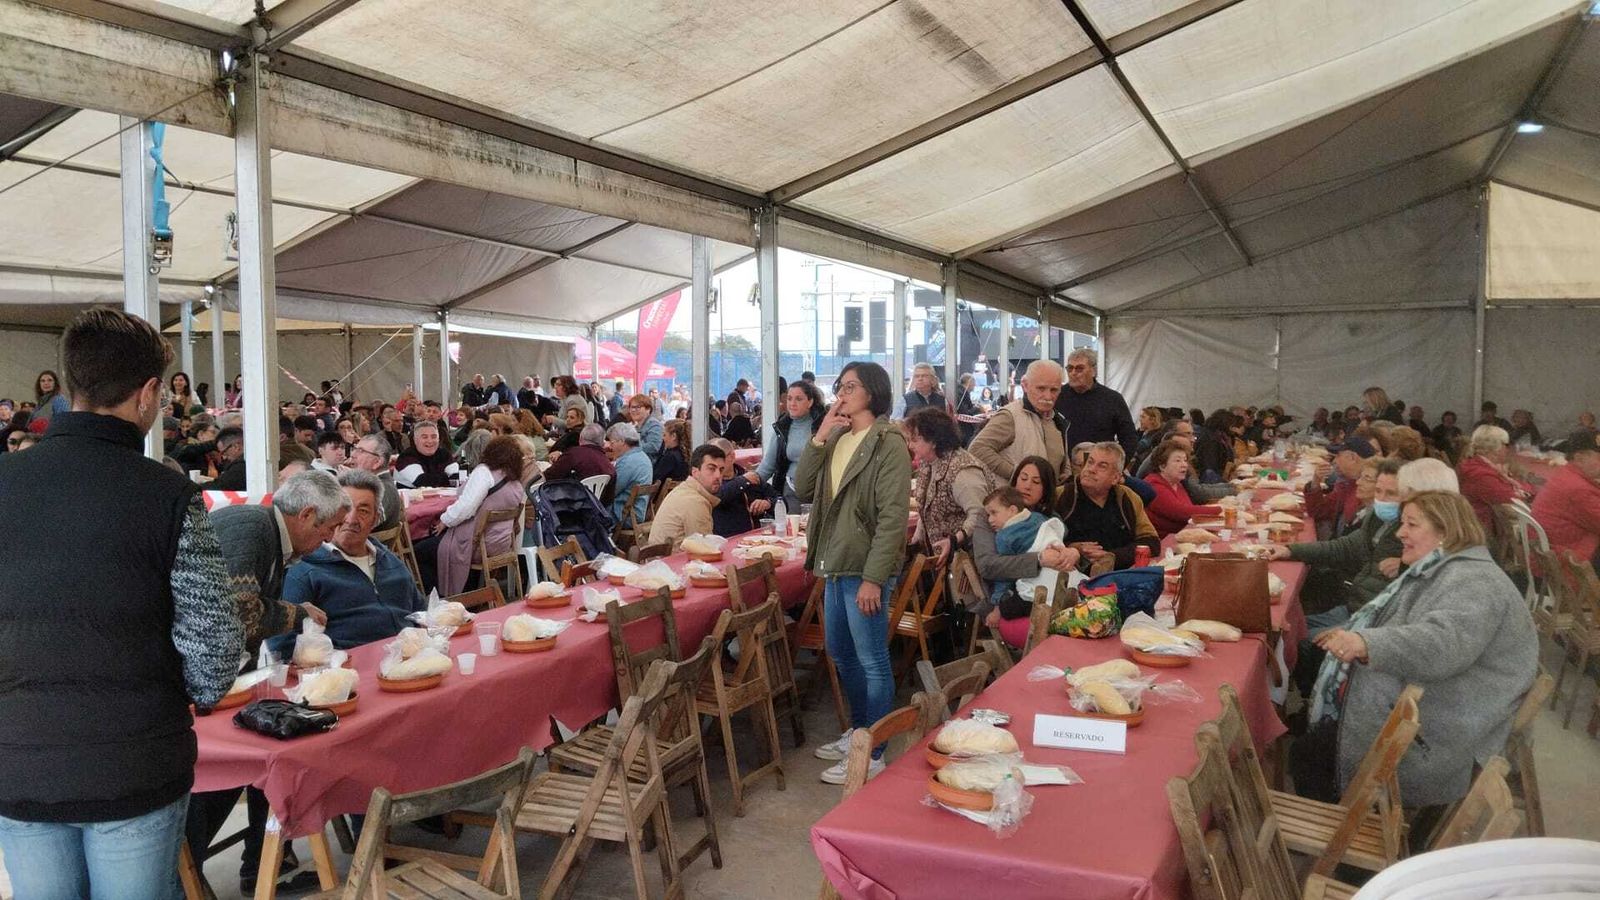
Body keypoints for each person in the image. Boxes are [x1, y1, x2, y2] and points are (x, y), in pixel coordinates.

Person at [0, 309, 242, 899]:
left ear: (70, 382)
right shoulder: (169, 496)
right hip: (135, 760)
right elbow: (212, 651)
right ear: (150, 393)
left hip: (19, 757)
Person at [1291, 491, 1537, 809]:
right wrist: (1359, 633)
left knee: (1309, 757)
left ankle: (1353, 849)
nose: (1399, 533)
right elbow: (1418, 626)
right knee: (1314, 744)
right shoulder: (1449, 568)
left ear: (1445, 531)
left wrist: (1367, 642)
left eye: (1411, 524)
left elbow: (1441, 646)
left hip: (1446, 729)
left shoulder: (1474, 581)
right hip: (1442, 702)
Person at [794, 362, 912, 785]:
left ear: (873, 392)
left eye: (851, 387)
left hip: (862, 567)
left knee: (873, 660)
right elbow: (802, 487)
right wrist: (821, 434)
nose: (842, 394)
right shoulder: (840, 437)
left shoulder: (889, 442)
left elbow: (893, 519)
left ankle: (874, 751)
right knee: (841, 654)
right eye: (839, 387)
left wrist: (874, 578)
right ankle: (860, 732)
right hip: (834, 560)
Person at [273, 470, 425, 652]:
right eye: (345, 509)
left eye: (363, 511)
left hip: (411, 658)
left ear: (375, 519)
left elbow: (422, 613)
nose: (352, 519)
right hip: (347, 668)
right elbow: (283, 646)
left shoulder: (389, 560)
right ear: (330, 512)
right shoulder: (303, 569)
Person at [1267, 459, 1404, 635]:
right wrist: (1291, 550)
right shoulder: (1376, 519)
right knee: (1287, 629)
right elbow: (1343, 546)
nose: (1382, 499)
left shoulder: (1407, 534)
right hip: (1355, 606)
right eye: (1379, 491)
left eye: (1391, 494)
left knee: (1296, 636)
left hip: (1369, 618)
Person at [414, 435, 529, 595]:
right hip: (500, 545)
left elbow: (466, 507)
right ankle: (467, 593)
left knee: (420, 550)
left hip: (475, 545)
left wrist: (444, 521)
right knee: (434, 546)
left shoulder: (484, 472)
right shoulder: (515, 482)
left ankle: (440, 597)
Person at [903, 406, 993, 565]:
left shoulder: (964, 471)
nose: (910, 445)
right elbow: (926, 508)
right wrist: (917, 539)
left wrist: (955, 540)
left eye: (915, 440)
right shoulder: (928, 463)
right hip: (942, 558)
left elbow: (980, 514)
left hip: (966, 560)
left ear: (934, 441)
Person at [1055, 442, 1161, 571]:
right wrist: (1074, 548)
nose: (1091, 469)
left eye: (1102, 466)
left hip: (1121, 574)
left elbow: (1151, 542)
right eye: (1090, 462)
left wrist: (1112, 557)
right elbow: (1042, 544)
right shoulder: (1061, 496)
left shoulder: (1127, 497)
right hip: (1071, 576)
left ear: (1115, 478)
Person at [969, 359, 1069, 485]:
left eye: (1054, 390)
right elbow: (977, 449)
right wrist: (1017, 475)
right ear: (1025, 385)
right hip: (1014, 500)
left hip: (1047, 501)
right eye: (1041, 388)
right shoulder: (1010, 416)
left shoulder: (1057, 420)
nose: (1048, 396)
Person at [981, 485, 1060, 619]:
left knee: (1008, 609)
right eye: (988, 515)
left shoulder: (1004, 536)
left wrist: (997, 605)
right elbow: (1058, 527)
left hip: (1038, 582)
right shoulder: (1038, 517)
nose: (989, 520)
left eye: (994, 513)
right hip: (1061, 569)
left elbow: (1004, 574)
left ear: (1012, 510)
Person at [1530, 431, 1600, 566]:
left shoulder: (1567, 475)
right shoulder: (1579, 488)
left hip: (1560, 553)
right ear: (1579, 458)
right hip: (1572, 562)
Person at [1053, 349, 1137, 460]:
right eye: (1070, 368)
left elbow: (1129, 439)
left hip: (1100, 467)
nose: (1073, 373)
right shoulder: (1056, 396)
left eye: (1079, 368)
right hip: (1064, 468)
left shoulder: (1112, 399)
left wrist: (1115, 467)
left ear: (1093, 371)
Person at [757, 379, 826, 508]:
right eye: (789, 399)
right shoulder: (782, 427)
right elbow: (767, 465)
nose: (792, 403)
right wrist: (746, 483)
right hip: (791, 490)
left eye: (798, 399)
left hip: (820, 492)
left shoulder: (823, 425)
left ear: (810, 402)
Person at [649, 444, 725, 549]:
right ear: (695, 472)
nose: (718, 475)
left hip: (660, 560)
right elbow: (706, 550)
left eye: (721, 470)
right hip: (672, 563)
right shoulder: (696, 501)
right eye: (711, 469)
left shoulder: (685, 489)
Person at [1456, 425, 1529, 532]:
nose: (1508, 449)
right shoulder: (1480, 474)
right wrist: (1527, 489)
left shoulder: (1476, 464)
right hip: (1482, 529)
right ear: (1496, 448)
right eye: (1506, 444)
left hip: (1479, 522)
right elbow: (1511, 499)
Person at [1142, 440, 1221, 538]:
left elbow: (1190, 510)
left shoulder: (1177, 484)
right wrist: (1220, 509)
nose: (1184, 465)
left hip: (1182, 537)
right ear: (1162, 466)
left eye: (1185, 460)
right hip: (1162, 544)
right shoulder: (1154, 486)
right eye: (1178, 460)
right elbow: (1182, 512)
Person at [1304, 435, 1376, 534]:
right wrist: (1315, 482)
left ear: (1352, 457)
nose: (1335, 461)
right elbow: (1318, 511)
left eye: (1338, 456)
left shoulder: (1367, 490)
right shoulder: (1347, 484)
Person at [709, 437, 776, 537]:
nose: (714, 464)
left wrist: (768, 503)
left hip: (757, 539)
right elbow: (716, 497)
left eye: (718, 459)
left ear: (732, 457)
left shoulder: (750, 477)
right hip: (725, 541)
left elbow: (781, 501)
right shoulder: (709, 481)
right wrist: (743, 481)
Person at [544, 423, 616, 503]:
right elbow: (609, 499)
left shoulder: (573, 454)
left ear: (580, 439)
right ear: (602, 443)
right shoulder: (608, 465)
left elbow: (549, 476)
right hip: (596, 508)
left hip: (568, 505)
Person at [348, 433, 402, 531]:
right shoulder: (369, 486)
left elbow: (356, 527)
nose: (353, 455)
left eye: (361, 451)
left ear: (377, 462)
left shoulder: (383, 490)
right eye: (354, 449)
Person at [605, 422, 653, 524]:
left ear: (622, 442)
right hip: (638, 511)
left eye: (612, 443)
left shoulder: (627, 462)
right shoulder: (642, 456)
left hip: (626, 514)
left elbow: (611, 492)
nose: (610, 447)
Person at [394, 420, 459, 488]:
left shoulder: (444, 454)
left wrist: (445, 479)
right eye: (424, 437)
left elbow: (457, 477)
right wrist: (446, 477)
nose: (430, 441)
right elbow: (423, 482)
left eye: (434, 437)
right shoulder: (406, 457)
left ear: (438, 439)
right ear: (415, 440)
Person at [624, 393, 663, 462]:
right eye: (631, 407)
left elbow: (653, 447)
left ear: (648, 409)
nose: (633, 410)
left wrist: (629, 447)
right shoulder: (635, 426)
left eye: (637, 407)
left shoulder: (654, 425)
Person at [209, 425, 248, 490]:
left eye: (224, 452)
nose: (224, 457)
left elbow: (219, 486)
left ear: (236, 447)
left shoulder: (240, 466)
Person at [655, 418, 691, 484]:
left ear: (674, 436)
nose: (663, 438)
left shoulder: (670, 457)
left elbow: (656, 478)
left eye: (664, 435)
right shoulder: (685, 454)